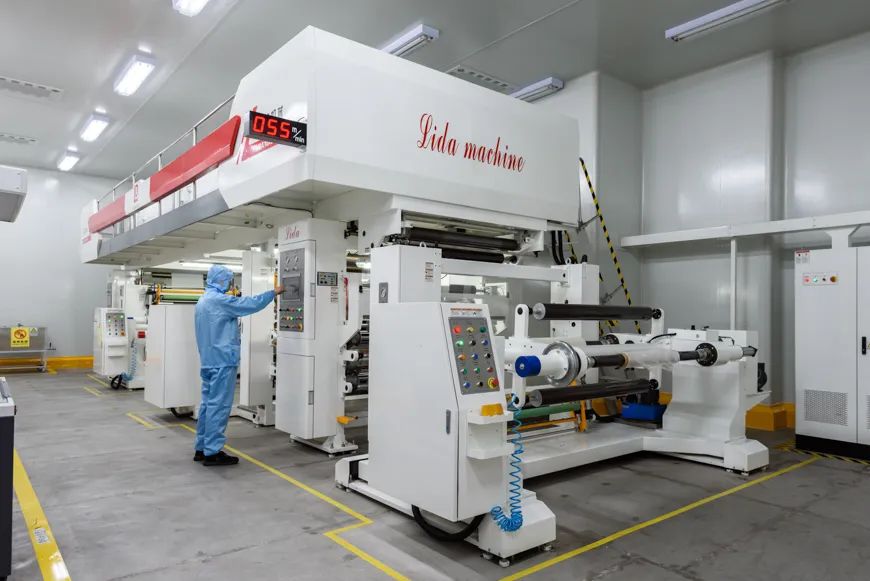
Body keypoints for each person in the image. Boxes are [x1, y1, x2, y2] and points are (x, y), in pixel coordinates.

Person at [193, 264, 284, 466]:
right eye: (228, 280)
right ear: (221, 280)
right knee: (219, 407)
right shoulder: (220, 300)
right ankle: (212, 452)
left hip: (208, 361)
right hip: (223, 361)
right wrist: (273, 293)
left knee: (208, 405)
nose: (229, 284)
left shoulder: (203, 300)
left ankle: (201, 447)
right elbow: (249, 304)